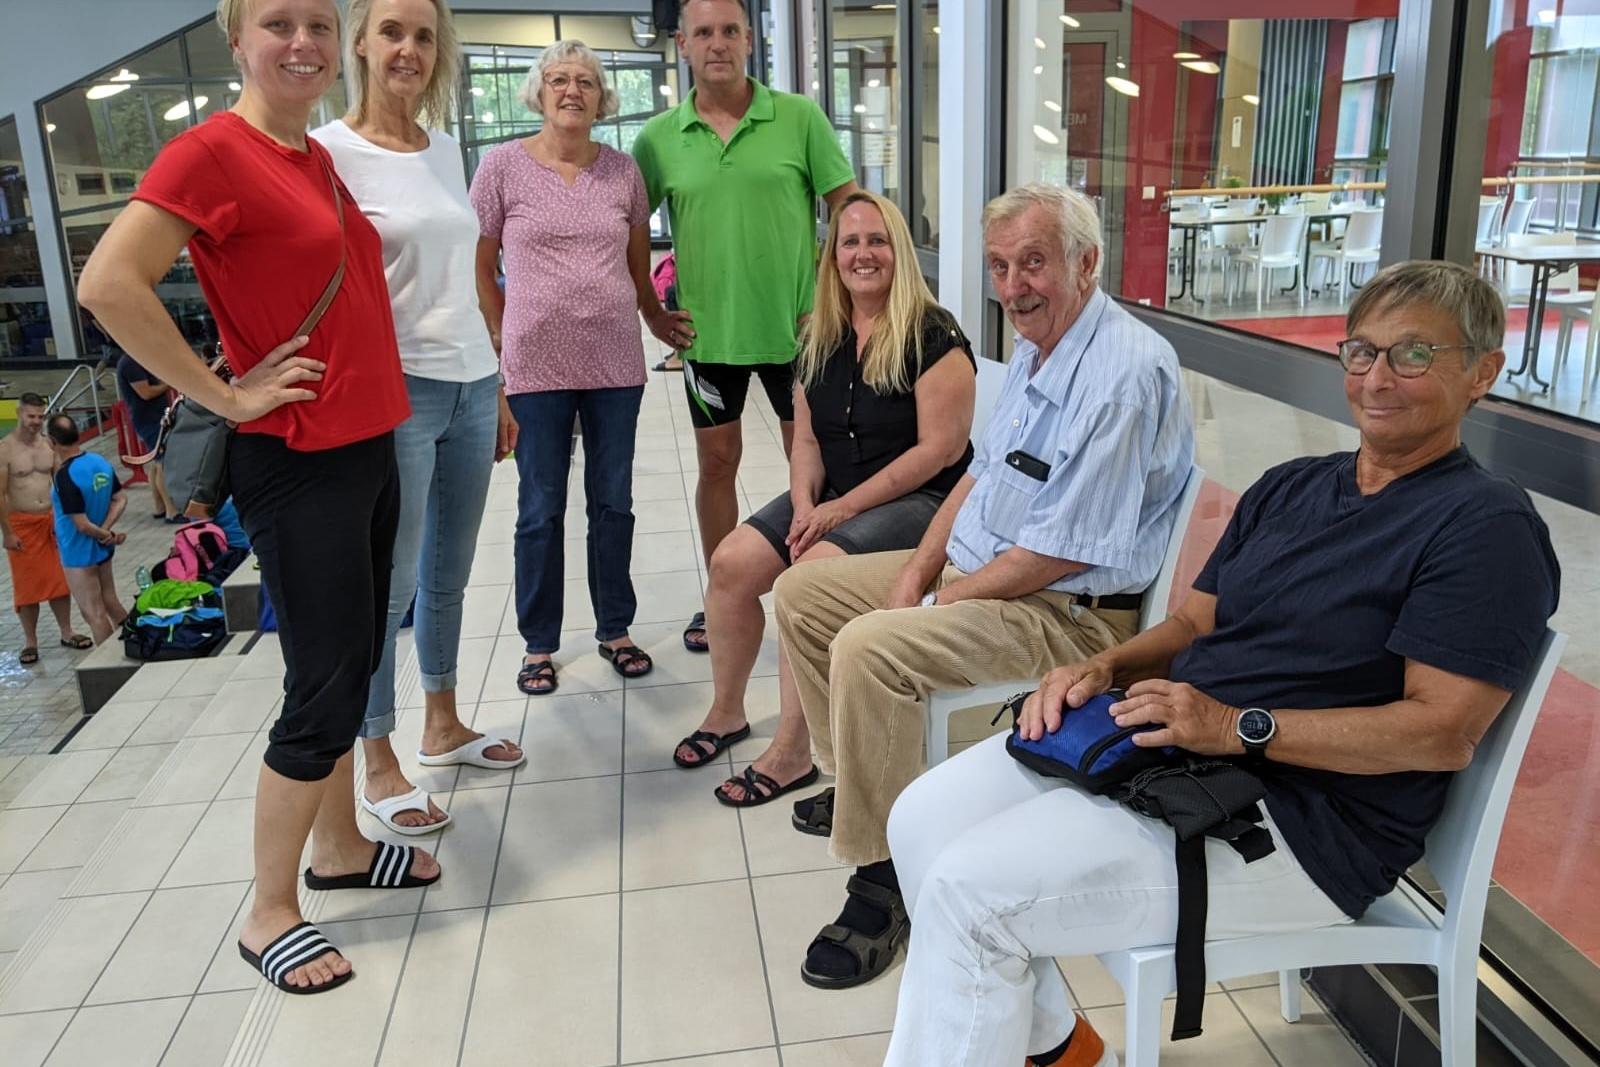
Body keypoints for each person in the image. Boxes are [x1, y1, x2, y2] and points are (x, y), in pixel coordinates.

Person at [880, 260, 1561, 1067]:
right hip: (1176, 752)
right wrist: (1106, 668)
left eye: (1414, 355)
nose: (1377, 376)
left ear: (1482, 371)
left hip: (1301, 826)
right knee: (918, 820)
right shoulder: (1292, 485)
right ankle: (1057, 1047)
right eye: (1361, 351)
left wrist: (1237, 726)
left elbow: (1441, 734)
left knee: (971, 892)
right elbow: (1194, 620)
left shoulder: (1484, 527)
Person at [77, 0, 437, 996]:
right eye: (278, 23)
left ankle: (340, 850)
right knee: (321, 686)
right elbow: (109, 284)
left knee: (356, 656)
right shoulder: (212, 153)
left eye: (320, 25)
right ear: (236, 40)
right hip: (296, 454)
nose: (304, 43)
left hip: (363, 443)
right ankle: (269, 908)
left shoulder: (310, 157)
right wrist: (224, 391)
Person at [772, 184, 1196, 989]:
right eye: (1000, 266)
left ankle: (884, 880)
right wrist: (918, 567)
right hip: (992, 580)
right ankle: (864, 783)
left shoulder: (1122, 373)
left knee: (870, 646)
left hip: (1070, 618)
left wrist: (939, 602)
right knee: (804, 593)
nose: (1013, 286)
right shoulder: (1042, 353)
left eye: (1033, 263)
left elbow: (1057, 555)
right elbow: (975, 480)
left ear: (1087, 262)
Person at [670, 191, 977, 810]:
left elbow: (938, 452)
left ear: (899, 252)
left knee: (802, 581)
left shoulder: (933, 334)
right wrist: (808, 503)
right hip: (835, 489)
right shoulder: (820, 335)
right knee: (732, 566)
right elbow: (806, 437)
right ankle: (728, 712)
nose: (863, 254)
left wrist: (840, 510)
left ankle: (791, 750)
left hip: (925, 499)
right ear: (832, 256)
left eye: (877, 241)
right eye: (850, 242)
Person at [312, 0, 522, 837]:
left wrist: (500, 379)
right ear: (359, 43)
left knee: (449, 570)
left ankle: (443, 720)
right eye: (392, 32)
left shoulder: (443, 148)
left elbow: (472, 272)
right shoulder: (326, 153)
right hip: (396, 390)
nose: (408, 49)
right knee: (387, 584)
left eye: (424, 36)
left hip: (472, 382)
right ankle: (377, 753)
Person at [632, 0, 858, 654]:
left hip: (799, 336)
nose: (718, 43)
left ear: (750, 40)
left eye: (730, 30)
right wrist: (650, 307)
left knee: (811, 469)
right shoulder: (659, 138)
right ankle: (720, 591)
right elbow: (629, 227)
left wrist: (833, 295)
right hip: (709, 340)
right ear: (683, 44)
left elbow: (848, 206)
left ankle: (807, 590)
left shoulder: (798, 119)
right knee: (717, 465)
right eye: (704, 32)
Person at [471, 40, 686, 696]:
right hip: (534, 364)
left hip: (615, 359)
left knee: (613, 501)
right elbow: (481, 269)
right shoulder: (501, 166)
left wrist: (655, 319)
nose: (572, 90)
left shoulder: (621, 172)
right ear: (538, 93)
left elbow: (634, 263)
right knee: (540, 506)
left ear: (602, 98)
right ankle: (539, 641)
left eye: (586, 81)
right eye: (559, 79)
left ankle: (614, 627)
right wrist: (500, 350)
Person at [0, 393, 90, 663]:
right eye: (31, 416)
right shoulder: (5, 449)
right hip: (21, 522)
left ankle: (67, 630)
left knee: (59, 581)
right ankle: (31, 641)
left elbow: (61, 483)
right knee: (27, 587)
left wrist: (68, 521)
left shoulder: (48, 446)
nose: (36, 422)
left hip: (50, 521)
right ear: (19, 414)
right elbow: (1, 494)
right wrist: (8, 532)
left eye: (40, 416)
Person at [45, 414, 128, 645]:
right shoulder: (99, 462)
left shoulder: (65, 475)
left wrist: (106, 535)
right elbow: (120, 499)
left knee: (94, 613)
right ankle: (140, 641)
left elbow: (80, 525)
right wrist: (106, 531)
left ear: (52, 441)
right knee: (111, 601)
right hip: (101, 550)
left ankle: (109, 668)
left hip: (78, 553)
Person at [114, 352, 176, 520]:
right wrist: (169, 384)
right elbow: (146, 393)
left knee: (156, 463)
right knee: (163, 461)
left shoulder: (137, 360)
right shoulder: (130, 363)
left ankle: (160, 507)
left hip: (151, 417)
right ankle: (172, 511)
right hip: (150, 420)